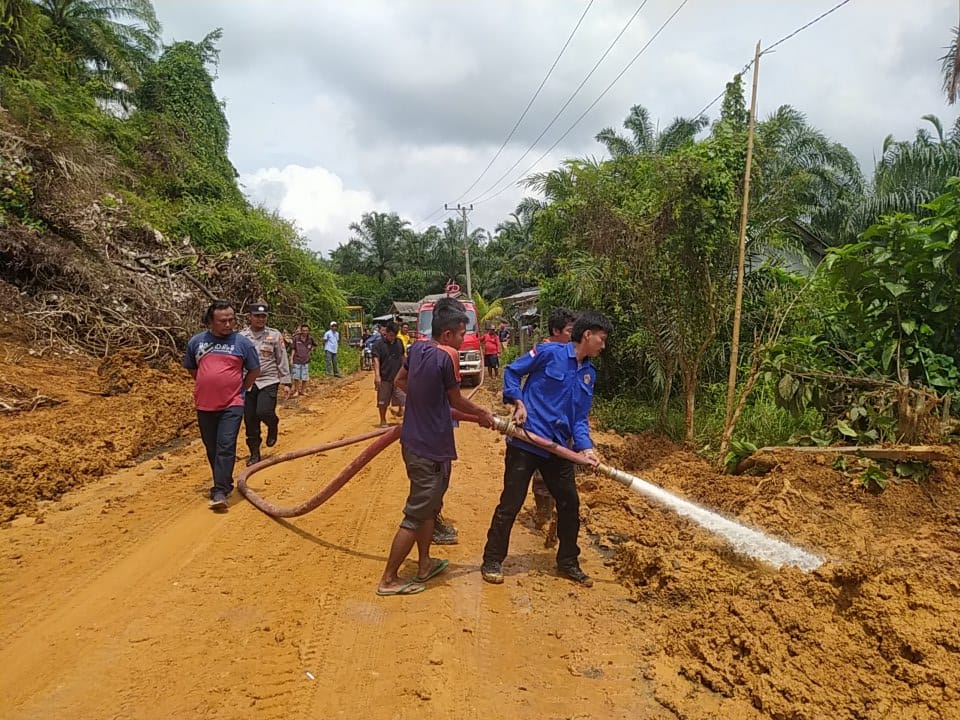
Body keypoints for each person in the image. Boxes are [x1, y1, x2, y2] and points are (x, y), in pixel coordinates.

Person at [481, 310, 613, 587]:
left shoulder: (588, 373)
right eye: (601, 339)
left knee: (569, 504)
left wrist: (586, 448)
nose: (603, 345)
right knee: (511, 502)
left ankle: (568, 561)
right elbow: (512, 372)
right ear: (587, 336)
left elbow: (579, 419)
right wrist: (518, 402)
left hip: (557, 448)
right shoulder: (549, 353)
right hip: (526, 441)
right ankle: (492, 560)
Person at [376, 304, 496, 596]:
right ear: (447, 333)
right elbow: (456, 401)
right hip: (430, 447)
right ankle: (388, 580)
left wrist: (424, 404)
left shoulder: (417, 348)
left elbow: (400, 381)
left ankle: (424, 563)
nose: (464, 338)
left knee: (428, 509)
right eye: (461, 333)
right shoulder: (449, 355)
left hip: (415, 443)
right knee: (417, 514)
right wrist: (482, 413)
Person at [183, 300, 260, 510]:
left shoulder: (242, 343)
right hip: (205, 404)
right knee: (212, 447)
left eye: (231, 320)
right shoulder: (196, 342)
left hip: (232, 403)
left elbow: (254, 370)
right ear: (210, 322)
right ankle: (223, 482)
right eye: (222, 321)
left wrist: (241, 389)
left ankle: (219, 490)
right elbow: (191, 368)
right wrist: (208, 383)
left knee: (226, 445)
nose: (228, 324)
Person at [531, 307, 578, 526]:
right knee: (542, 472)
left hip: (565, 427)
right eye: (570, 331)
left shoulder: (576, 356)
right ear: (556, 330)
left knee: (564, 474)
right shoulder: (543, 352)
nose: (574, 335)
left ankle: (560, 516)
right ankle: (544, 515)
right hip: (542, 428)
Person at [240, 302, 292, 466]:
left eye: (263, 316)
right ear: (250, 317)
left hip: (269, 380)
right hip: (248, 382)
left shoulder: (274, 335)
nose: (261, 319)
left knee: (264, 411)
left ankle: (273, 424)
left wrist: (286, 382)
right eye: (257, 316)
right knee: (250, 419)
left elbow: (281, 358)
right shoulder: (241, 337)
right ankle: (254, 453)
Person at [372, 321, 406, 427]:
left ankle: (406, 419)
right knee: (383, 401)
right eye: (391, 335)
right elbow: (376, 360)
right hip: (385, 377)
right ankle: (383, 420)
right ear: (386, 332)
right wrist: (377, 375)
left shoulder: (399, 342)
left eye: (395, 336)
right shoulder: (378, 345)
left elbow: (403, 357)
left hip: (398, 378)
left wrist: (406, 372)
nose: (393, 338)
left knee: (403, 400)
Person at [289, 323, 318, 397]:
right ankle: (296, 391)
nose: (305, 332)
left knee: (305, 377)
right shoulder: (296, 338)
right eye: (303, 330)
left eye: (306, 331)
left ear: (308, 331)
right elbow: (293, 349)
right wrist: (291, 358)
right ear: (301, 331)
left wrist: (311, 349)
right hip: (297, 359)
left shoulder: (310, 338)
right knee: (296, 377)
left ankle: (303, 391)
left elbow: (315, 345)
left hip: (306, 360)